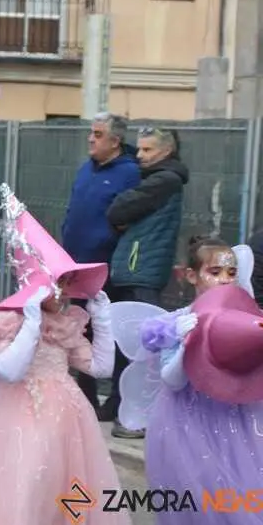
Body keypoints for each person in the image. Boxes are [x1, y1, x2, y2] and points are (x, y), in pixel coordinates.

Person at [0, 185, 129, 524]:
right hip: (16, 419)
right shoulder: (10, 323)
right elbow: (10, 370)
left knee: (63, 492)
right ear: (36, 284)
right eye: (56, 282)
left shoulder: (65, 324)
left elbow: (100, 368)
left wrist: (103, 322)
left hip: (68, 423)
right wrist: (29, 323)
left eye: (67, 282)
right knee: (23, 486)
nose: (63, 292)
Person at [130, 237, 263, 524]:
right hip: (187, 425)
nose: (225, 280)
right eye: (214, 273)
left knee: (240, 493)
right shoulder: (177, 321)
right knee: (197, 498)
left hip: (236, 423)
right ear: (191, 275)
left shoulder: (244, 318)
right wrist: (184, 343)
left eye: (231, 273)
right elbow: (172, 380)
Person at [104, 126, 189, 438]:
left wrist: (122, 212)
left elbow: (117, 209)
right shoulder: (155, 179)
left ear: (165, 152)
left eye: (147, 150)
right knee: (129, 345)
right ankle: (124, 407)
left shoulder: (163, 180)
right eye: (138, 149)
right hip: (136, 266)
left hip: (142, 268)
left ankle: (142, 417)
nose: (138, 155)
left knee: (144, 349)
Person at [60, 112, 140, 418]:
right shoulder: (86, 170)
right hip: (76, 267)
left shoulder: (129, 174)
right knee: (80, 332)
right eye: (91, 133)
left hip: (107, 268)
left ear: (115, 141)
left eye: (98, 134)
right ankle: (85, 398)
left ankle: (118, 401)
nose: (91, 139)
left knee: (109, 333)